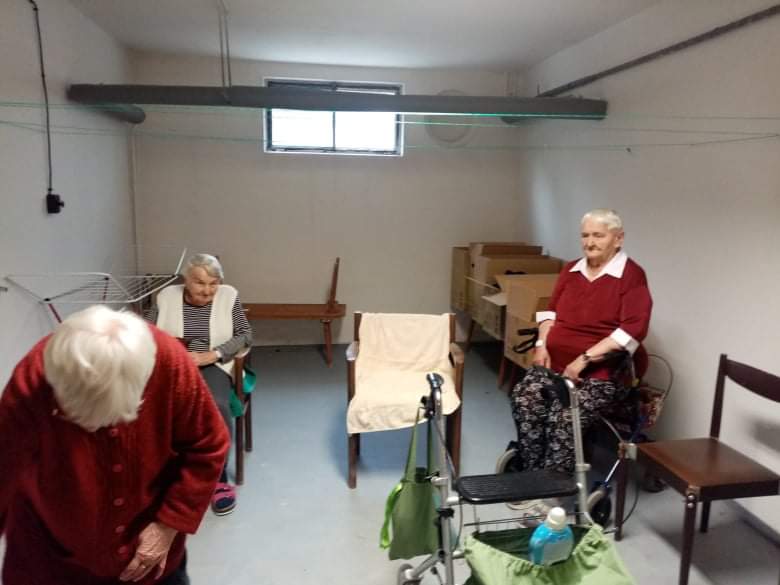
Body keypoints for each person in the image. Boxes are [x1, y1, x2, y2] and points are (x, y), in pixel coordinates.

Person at [0, 305, 229, 585]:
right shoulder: (32, 382)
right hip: (53, 560)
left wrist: (168, 524)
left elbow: (208, 444)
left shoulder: (170, 364)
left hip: (151, 563)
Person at [509, 209, 652, 509]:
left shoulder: (631, 275)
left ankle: (553, 491)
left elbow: (632, 331)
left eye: (598, 235)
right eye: (585, 235)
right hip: (557, 365)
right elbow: (550, 312)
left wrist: (584, 359)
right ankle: (534, 475)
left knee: (564, 415)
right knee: (525, 397)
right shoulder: (571, 270)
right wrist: (542, 344)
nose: (590, 242)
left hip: (604, 374)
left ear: (618, 239)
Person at [145, 253, 252, 516]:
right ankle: (166, 470)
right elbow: (146, 330)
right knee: (154, 406)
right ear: (186, 280)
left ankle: (218, 475)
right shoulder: (166, 296)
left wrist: (213, 354)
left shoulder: (229, 296)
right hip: (172, 363)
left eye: (213, 283)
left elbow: (245, 334)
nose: (207, 290)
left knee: (215, 405)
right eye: (200, 282)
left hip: (213, 363)